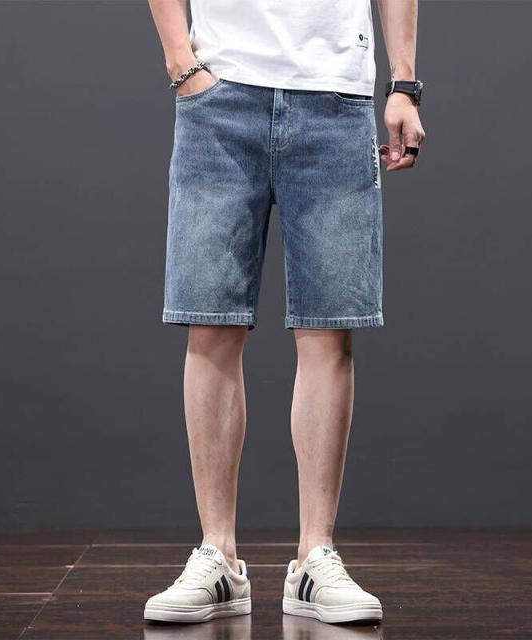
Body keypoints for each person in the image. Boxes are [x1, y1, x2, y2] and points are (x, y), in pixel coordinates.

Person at [144, 0, 425, 626]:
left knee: (329, 330)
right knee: (210, 323)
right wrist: (181, 63)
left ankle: (315, 557)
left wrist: (404, 84)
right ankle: (217, 554)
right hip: (220, 96)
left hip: (336, 98)